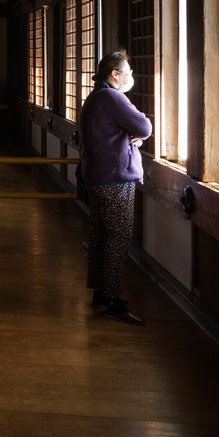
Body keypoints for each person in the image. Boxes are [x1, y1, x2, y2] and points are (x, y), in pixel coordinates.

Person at [78, 48, 153, 327]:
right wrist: (138, 130)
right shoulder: (111, 97)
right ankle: (114, 301)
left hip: (98, 178)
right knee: (118, 240)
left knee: (100, 236)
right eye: (128, 72)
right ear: (114, 74)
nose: (130, 76)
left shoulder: (95, 97)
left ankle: (100, 293)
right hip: (115, 180)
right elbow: (143, 127)